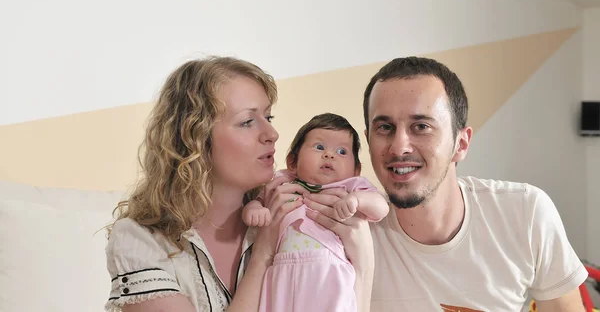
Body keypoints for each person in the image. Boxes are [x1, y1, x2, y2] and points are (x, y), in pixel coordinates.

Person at [104, 57, 374, 312]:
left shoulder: (293, 218)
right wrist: (262, 256)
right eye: (247, 121)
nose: (271, 134)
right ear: (195, 140)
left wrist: (363, 266)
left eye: (268, 118)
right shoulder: (140, 241)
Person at [360, 57, 588, 311]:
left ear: (461, 144)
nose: (399, 146)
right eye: (384, 127)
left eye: (421, 126)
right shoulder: (350, 233)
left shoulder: (525, 212)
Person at [242, 113, 389, 312]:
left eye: (342, 151)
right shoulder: (284, 181)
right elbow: (259, 200)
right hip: (282, 272)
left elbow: (381, 206)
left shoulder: (351, 186)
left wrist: (356, 200)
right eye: (319, 147)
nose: (330, 155)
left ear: (356, 169)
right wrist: (254, 209)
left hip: (328, 272)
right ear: (293, 161)